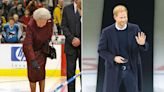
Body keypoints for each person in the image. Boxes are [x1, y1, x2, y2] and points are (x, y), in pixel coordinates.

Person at [98, 5, 149, 92]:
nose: (124, 20)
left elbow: (145, 47)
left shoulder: (135, 29)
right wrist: (113, 58)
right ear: (115, 17)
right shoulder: (107, 32)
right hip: (114, 70)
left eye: (125, 17)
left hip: (131, 70)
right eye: (121, 17)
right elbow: (101, 50)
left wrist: (142, 44)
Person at [23, 8, 53, 92]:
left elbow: (49, 34)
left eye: (44, 21)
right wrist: (32, 60)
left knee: (41, 73)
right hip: (31, 51)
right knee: (33, 75)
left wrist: (48, 47)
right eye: (40, 21)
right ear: (36, 19)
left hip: (42, 51)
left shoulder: (49, 23)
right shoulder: (30, 25)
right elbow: (28, 44)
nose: (42, 24)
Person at [61, 0, 81, 92]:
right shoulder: (66, 9)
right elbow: (64, 26)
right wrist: (72, 38)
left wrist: (80, 39)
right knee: (70, 73)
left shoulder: (88, 9)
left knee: (84, 73)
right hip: (70, 46)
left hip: (83, 47)